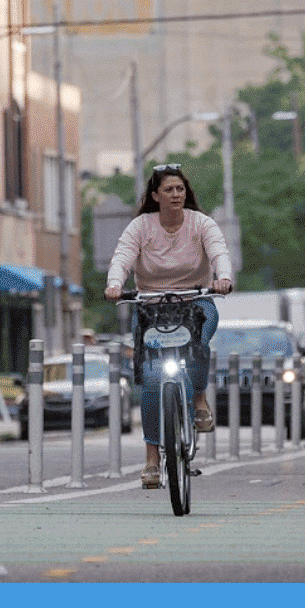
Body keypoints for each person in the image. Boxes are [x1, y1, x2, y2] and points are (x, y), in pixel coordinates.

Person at [103, 164, 234, 488]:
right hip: (152, 305)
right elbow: (122, 257)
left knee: (203, 334)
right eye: (169, 190)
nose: (176, 195)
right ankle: (151, 459)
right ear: (154, 196)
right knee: (150, 379)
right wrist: (115, 284)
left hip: (195, 300)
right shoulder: (141, 226)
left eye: (180, 189)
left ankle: (199, 398)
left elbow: (219, 251)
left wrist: (224, 278)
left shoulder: (201, 223)